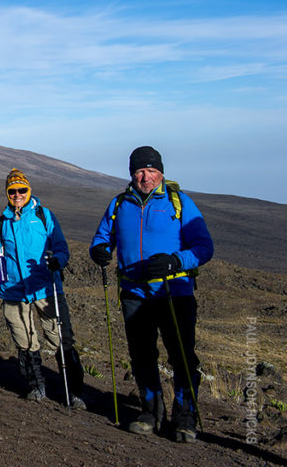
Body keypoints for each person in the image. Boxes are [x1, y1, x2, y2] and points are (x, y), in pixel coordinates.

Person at [89, 146, 214, 443]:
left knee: (181, 357)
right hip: (134, 292)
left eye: (150, 171)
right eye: (139, 171)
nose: (145, 177)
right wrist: (99, 250)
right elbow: (102, 236)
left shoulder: (179, 202)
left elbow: (204, 247)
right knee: (141, 356)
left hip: (174, 292)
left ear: (161, 172)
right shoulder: (120, 204)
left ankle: (184, 416)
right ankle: (150, 412)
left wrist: (175, 261)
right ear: (132, 173)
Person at [0, 169, 85, 407]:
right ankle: (35, 385)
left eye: (22, 190)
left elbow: (61, 247)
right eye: (13, 191)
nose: (17, 195)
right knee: (25, 340)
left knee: (60, 338)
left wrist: (57, 260)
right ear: (7, 193)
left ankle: (74, 390)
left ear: (29, 190)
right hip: (13, 291)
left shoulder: (44, 216)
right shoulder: (2, 223)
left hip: (45, 287)